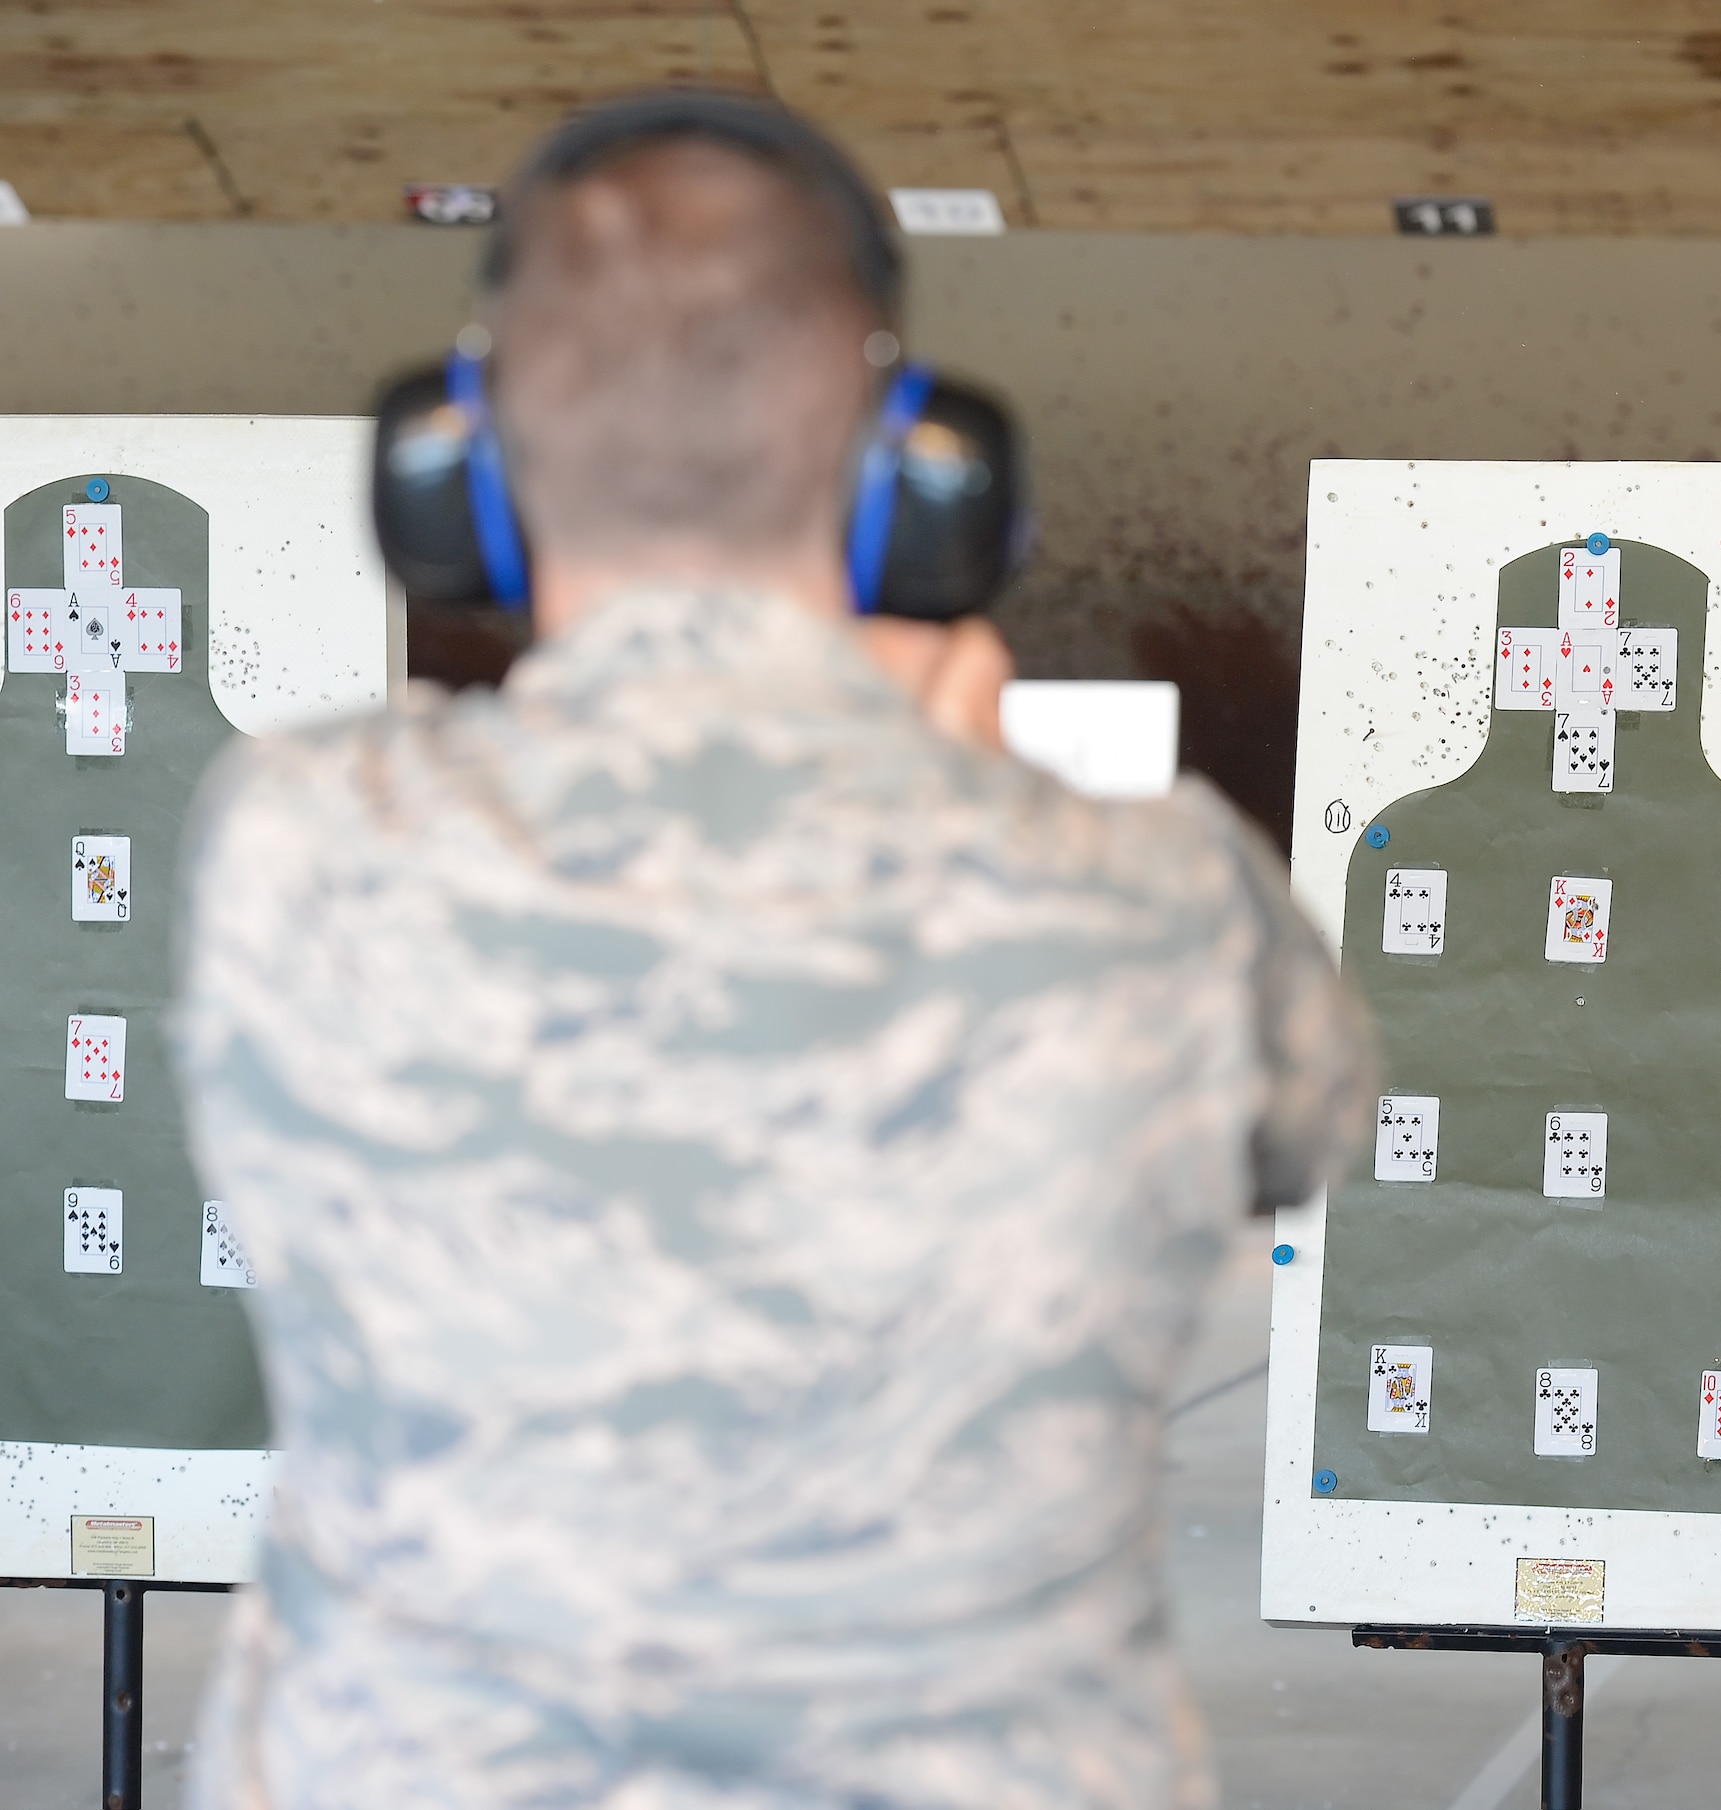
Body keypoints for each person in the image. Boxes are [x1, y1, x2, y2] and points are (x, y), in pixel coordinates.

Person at [174, 93, 1375, 1810]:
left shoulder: (295, 847)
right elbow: (1307, 1118)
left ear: (460, 474)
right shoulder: (1159, 901)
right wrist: (988, 789)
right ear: (917, 477)